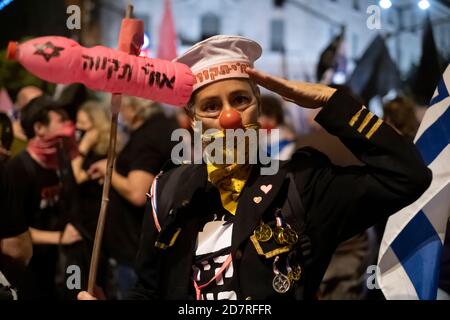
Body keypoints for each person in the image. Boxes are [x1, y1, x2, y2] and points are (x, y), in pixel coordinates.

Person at [79, 35, 431, 300]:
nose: (229, 117)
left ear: (258, 107)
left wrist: (330, 101)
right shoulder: (168, 193)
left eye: (241, 100)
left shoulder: (302, 183)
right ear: (193, 120)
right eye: (211, 106)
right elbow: (149, 290)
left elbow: (407, 176)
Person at [87, 96, 179, 298]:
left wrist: (107, 171)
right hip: (155, 241)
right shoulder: (166, 126)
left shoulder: (147, 136)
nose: (120, 112)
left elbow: (137, 192)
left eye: (122, 106)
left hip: (134, 249)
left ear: (135, 108)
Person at [4, 96, 82, 299]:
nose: (68, 126)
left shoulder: (61, 161)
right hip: (32, 269)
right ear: (39, 128)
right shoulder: (17, 170)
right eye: (60, 121)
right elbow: (12, 230)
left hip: (59, 266)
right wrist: (58, 238)